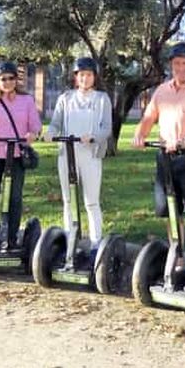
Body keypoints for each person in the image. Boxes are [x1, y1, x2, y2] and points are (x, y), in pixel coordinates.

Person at [132, 42, 185, 272]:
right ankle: (178, 260)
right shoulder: (162, 91)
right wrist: (140, 134)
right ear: (171, 65)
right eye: (177, 63)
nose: (181, 68)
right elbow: (149, 117)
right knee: (171, 210)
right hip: (166, 157)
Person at [44, 57, 112, 256]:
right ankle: (70, 240)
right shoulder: (65, 98)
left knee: (91, 201)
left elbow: (107, 128)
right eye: (81, 75)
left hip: (90, 154)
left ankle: (95, 243)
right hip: (67, 153)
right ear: (75, 77)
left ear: (94, 77)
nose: (85, 78)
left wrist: (93, 136)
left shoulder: (102, 99)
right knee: (68, 200)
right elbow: (55, 123)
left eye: (89, 75)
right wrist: (50, 133)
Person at [0, 61, 42, 249]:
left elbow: (36, 125)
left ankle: (11, 238)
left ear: (16, 80)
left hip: (18, 154)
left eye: (11, 78)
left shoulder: (27, 100)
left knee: (14, 197)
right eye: (3, 79)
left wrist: (32, 134)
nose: (7, 82)